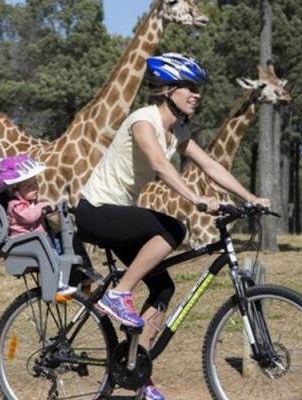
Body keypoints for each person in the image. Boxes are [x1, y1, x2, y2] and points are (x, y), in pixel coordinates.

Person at [74, 53, 270, 400]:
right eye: (190, 88)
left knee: (163, 288)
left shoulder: (177, 130)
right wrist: (196, 199)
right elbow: (160, 166)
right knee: (174, 229)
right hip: (96, 212)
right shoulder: (143, 121)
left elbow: (210, 164)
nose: (197, 94)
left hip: (119, 215)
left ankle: (136, 373)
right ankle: (120, 293)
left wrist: (250, 196)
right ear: (168, 89)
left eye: (198, 89)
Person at [0, 154, 77, 297]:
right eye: (29, 186)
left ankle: (66, 276)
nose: (35, 188)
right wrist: (44, 207)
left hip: (40, 240)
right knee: (52, 255)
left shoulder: (30, 203)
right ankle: (56, 284)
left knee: (60, 242)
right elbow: (30, 217)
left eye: (36, 183)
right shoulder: (15, 205)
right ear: (14, 190)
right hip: (26, 242)